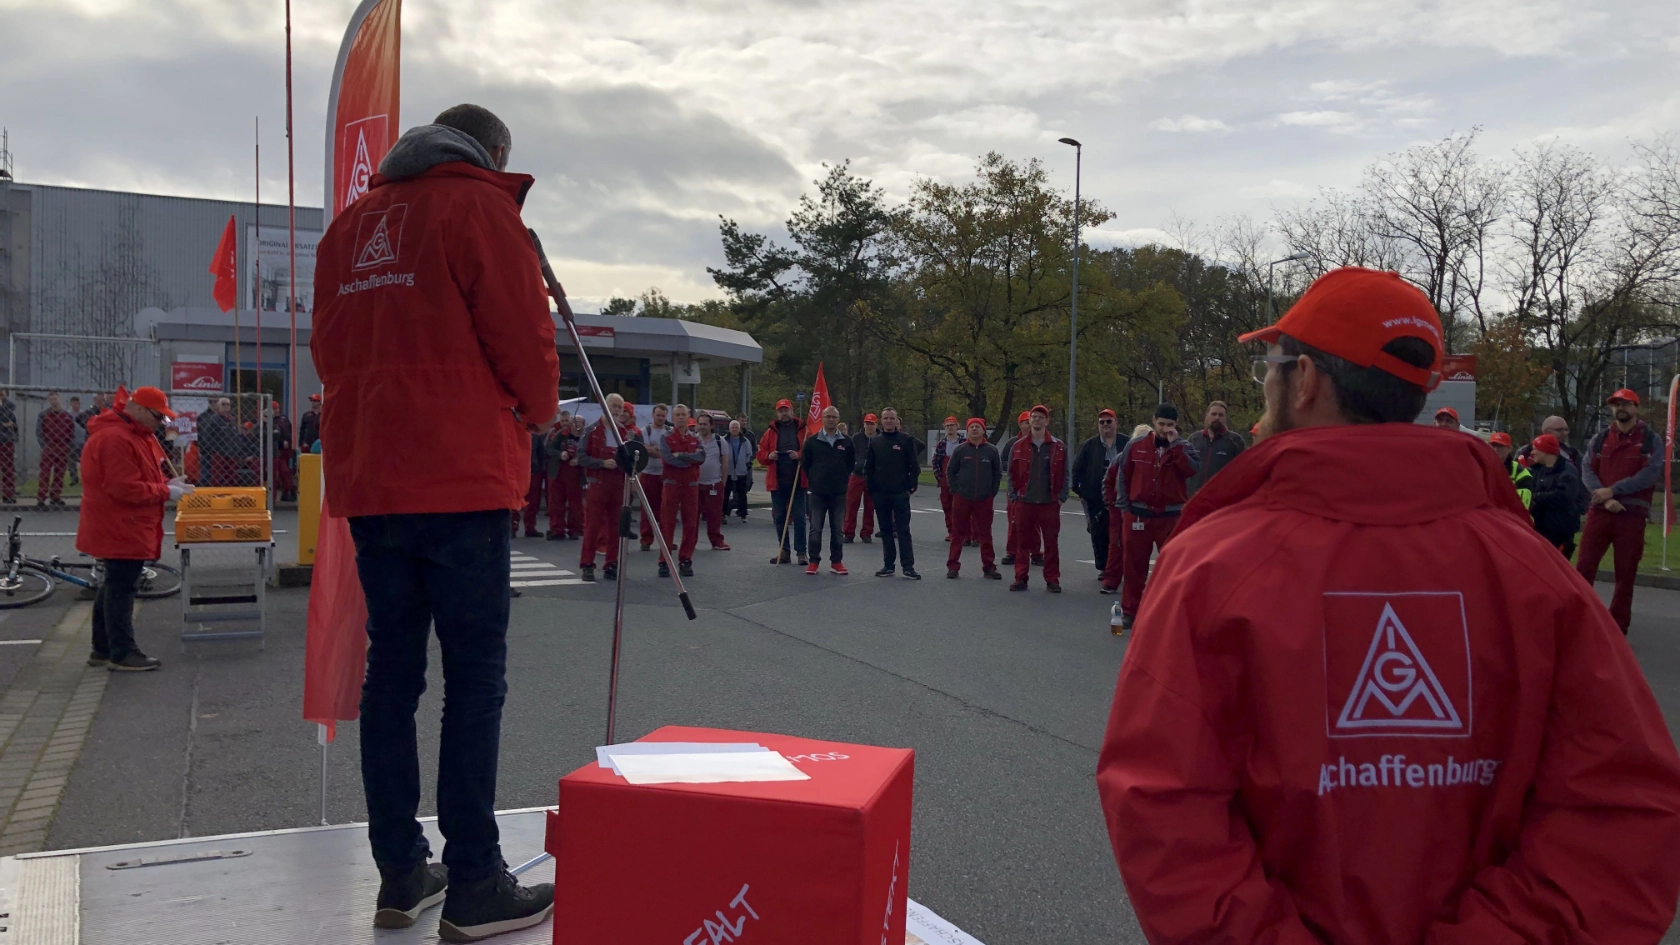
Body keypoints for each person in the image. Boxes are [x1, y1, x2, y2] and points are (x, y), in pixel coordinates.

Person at [1098, 265, 1680, 945]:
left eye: (1271, 368)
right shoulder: (1540, 577)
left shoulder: (1211, 567)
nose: (1265, 386)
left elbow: (1164, 808)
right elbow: (1620, 816)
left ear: (1306, 380)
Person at [311, 104, 560, 938]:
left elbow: (328, 348)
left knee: (392, 674)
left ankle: (401, 869)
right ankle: (477, 878)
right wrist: (535, 409)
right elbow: (522, 335)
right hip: (458, 471)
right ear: (491, 153)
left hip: (372, 476)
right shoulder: (479, 205)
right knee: (474, 677)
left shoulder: (349, 227)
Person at [78, 386, 192, 672]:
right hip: (121, 523)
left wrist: (165, 487)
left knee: (114, 584)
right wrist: (166, 492)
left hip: (119, 522)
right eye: (158, 417)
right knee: (121, 588)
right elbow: (124, 488)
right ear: (138, 409)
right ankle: (121, 652)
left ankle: (103, 649)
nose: (161, 423)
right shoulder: (117, 439)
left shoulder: (126, 435)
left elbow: (130, 481)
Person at [1101, 404, 1199, 627]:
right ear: (1154, 422)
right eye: (1162, 424)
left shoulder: (1184, 447)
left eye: (1170, 425)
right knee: (1134, 566)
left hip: (1170, 516)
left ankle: (1170, 612)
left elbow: (1190, 470)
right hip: (1138, 514)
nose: (1165, 429)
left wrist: (1174, 446)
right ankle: (1130, 611)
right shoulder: (1136, 445)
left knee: (1172, 567)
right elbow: (1123, 476)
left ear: (1177, 425)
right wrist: (1125, 508)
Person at [1577, 387, 1661, 635]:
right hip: (1601, 512)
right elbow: (1587, 471)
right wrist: (1604, 499)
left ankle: (1617, 627)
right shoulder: (1600, 438)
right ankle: (1580, 619)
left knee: (1625, 574)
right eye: (1615, 404)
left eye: (1625, 404)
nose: (1620, 408)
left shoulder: (1650, 440)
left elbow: (1649, 474)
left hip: (1632, 515)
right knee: (1584, 568)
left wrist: (1613, 490)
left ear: (1636, 408)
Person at [579, 395, 641, 582]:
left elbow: (634, 462)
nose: (617, 410)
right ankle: (587, 564)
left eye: (620, 408)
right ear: (605, 406)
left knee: (616, 527)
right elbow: (581, 457)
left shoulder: (626, 434)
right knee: (592, 526)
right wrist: (601, 463)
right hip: (598, 485)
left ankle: (611, 564)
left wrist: (631, 478)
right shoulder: (591, 430)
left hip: (618, 486)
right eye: (614, 406)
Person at [1007, 405, 1068, 593]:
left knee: (1051, 543)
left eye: (1041, 417)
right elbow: (1011, 474)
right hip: (1025, 501)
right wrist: (1014, 496)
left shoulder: (1058, 446)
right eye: (1034, 417)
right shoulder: (1018, 446)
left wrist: (1061, 498)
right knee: (1022, 543)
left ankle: (1052, 580)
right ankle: (1021, 578)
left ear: (1047, 421)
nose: (1037, 420)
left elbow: (1065, 474)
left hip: (1049, 502)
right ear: (1029, 420)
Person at [862, 407, 922, 578]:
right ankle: (888, 565)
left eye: (891, 418)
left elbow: (914, 467)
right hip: (881, 494)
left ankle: (908, 567)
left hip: (900, 493)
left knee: (903, 530)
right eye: (886, 418)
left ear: (897, 421)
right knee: (886, 530)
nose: (889, 421)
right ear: (881, 421)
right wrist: (872, 488)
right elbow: (869, 467)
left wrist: (910, 487)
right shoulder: (875, 442)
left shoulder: (906, 440)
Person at [945, 418, 1002, 579]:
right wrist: (955, 490)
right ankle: (953, 566)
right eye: (971, 427)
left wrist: (992, 491)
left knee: (985, 533)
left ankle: (989, 567)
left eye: (978, 427)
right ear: (967, 431)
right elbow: (950, 471)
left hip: (984, 498)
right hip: (962, 497)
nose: (974, 429)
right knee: (958, 533)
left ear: (984, 431)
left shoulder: (991, 451)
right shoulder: (960, 450)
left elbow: (997, 473)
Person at [801, 406, 853, 575]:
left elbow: (850, 464)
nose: (831, 419)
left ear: (838, 419)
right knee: (815, 528)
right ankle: (814, 561)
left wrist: (841, 479)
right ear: (822, 419)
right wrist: (816, 479)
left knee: (837, 529)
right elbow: (806, 465)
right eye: (828, 416)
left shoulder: (847, 442)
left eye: (834, 417)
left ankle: (836, 562)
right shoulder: (812, 441)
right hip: (817, 492)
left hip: (838, 492)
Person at [757, 398, 808, 565]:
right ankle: (784, 551)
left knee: (800, 518)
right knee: (779, 518)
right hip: (777, 481)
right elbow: (760, 454)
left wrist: (799, 454)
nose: (784, 413)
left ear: (792, 411)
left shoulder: (803, 430)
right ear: (777, 413)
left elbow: (812, 451)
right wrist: (768, 456)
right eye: (781, 410)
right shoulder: (770, 432)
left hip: (798, 481)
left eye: (786, 410)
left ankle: (801, 552)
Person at [1071, 408, 1122, 574]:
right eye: (1102, 422)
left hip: (1120, 497)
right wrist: (1081, 491)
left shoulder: (1126, 443)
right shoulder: (1089, 445)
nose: (1105, 425)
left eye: (1109, 421)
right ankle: (1104, 567)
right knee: (1098, 534)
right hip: (1095, 498)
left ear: (1116, 423)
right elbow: (1077, 469)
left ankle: (1119, 567)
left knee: (1120, 535)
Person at [656, 405, 703, 578]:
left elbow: (701, 458)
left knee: (691, 524)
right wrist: (689, 458)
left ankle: (685, 560)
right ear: (673, 418)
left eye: (684, 415)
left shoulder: (696, 438)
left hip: (691, 485)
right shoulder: (666, 437)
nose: (681, 418)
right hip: (672, 484)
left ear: (688, 416)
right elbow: (668, 459)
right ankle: (664, 561)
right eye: (677, 415)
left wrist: (680, 456)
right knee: (667, 524)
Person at [1527, 434, 1588, 554]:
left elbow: (1563, 496)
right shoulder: (1537, 470)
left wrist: (1535, 497)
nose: (1533, 452)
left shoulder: (1567, 472)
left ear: (1545, 451)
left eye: (1535, 448)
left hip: (1560, 531)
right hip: (1540, 529)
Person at [998, 412, 1038, 567]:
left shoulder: (1041, 442)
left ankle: (1035, 553)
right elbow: (1003, 461)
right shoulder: (1013, 443)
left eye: (1030, 421)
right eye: (1025, 422)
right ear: (1020, 424)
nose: (1028, 425)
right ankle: (1012, 552)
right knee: (1014, 521)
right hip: (1017, 488)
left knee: (1035, 523)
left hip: (1035, 489)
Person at [1185, 400, 1245, 496]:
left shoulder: (1235, 441)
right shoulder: (1194, 439)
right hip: (1193, 498)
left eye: (1221, 415)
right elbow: (1184, 467)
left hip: (1221, 500)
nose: (1217, 417)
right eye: (1213, 414)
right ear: (1207, 415)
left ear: (1225, 418)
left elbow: (1243, 472)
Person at [543, 414, 586, 540]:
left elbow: (589, 453)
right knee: (556, 502)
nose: (576, 426)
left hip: (575, 473)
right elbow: (549, 448)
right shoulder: (561, 433)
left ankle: (575, 529)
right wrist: (560, 454)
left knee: (575, 503)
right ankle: (557, 529)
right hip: (558, 471)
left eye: (579, 423)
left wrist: (579, 460)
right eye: (574, 422)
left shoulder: (586, 436)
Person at [694, 413, 731, 551]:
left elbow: (725, 463)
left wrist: (723, 482)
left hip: (714, 484)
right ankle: (691, 541)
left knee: (714, 515)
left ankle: (716, 541)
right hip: (695, 484)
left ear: (711, 426)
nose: (702, 427)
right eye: (700, 424)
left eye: (705, 424)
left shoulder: (720, 442)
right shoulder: (693, 440)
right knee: (693, 515)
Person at [636, 404, 669, 552]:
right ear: (653, 415)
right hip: (648, 474)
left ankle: (665, 540)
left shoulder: (670, 432)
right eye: (658, 415)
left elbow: (671, 451)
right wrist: (660, 451)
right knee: (646, 509)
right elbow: (645, 450)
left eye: (663, 415)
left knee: (666, 509)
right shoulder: (645, 431)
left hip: (665, 475)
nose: (661, 418)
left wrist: (655, 449)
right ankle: (646, 539)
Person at [35, 392, 74, 506]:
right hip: (49, 446)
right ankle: (41, 497)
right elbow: (39, 431)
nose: (54, 401)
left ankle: (55, 496)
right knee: (45, 472)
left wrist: (68, 444)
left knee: (60, 472)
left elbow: (71, 431)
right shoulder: (43, 415)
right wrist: (44, 445)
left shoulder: (67, 415)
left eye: (55, 399)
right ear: (48, 401)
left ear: (59, 399)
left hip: (62, 446)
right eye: (51, 399)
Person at [843, 413, 878, 543]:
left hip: (872, 477)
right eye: (867, 424)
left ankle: (867, 532)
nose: (869, 426)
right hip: (856, 475)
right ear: (864, 424)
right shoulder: (856, 438)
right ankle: (848, 532)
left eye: (872, 424)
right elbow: (849, 453)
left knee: (870, 506)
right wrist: (854, 465)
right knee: (851, 505)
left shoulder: (880, 438)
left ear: (876, 425)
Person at [932, 416, 964, 542]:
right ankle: (952, 532)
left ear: (957, 427)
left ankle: (965, 533)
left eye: (952, 425)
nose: (950, 428)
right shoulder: (941, 444)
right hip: (945, 481)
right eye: (947, 426)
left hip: (961, 480)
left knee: (962, 508)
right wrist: (939, 477)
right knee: (947, 507)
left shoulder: (964, 442)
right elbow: (936, 462)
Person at [196, 397, 238, 487]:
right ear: (218, 406)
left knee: (230, 478)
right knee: (215, 478)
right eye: (223, 404)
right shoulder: (212, 419)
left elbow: (236, 437)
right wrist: (214, 450)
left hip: (230, 454)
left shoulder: (232, 420)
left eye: (228, 404)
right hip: (217, 454)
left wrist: (236, 450)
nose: (226, 406)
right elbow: (206, 436)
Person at [516, 424, 547, 538]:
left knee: (532, 501)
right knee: (516, 500)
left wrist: (539, 469)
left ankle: (530, 527)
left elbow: (541, 454)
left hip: (533, 471)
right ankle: (513, 527)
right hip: (519, 471)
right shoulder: (515, 434)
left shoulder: (536, 436)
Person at [1488, 432, 1533, 508]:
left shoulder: (1520, 472)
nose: (1496, 449)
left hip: (1510, 516)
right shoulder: (1480, 467)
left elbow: (1522, 503)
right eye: (1493, 445)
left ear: (1510, 449)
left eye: (1500, 446)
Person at [724, 419, 754, 522]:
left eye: (736, 427)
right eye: (733, 427)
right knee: (725, 493)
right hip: (727, 471)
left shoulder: (745, 441)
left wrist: (746, 465)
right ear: (729, 428)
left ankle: (743, 514)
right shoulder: (724, 440)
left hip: (741, 471)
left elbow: (749, 454)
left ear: (739, 429)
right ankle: (723, 514)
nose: (734, 429)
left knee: (742, 494)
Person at [271, 401, 297, 501]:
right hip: (278, 449)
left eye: (277, 408)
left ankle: (287, 491)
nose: (276, 411)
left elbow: (289, 431)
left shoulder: (284, 419)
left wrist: (290, 442)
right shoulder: (271, 421)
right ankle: (288, 489)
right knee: (283, 470)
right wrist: (282, 442)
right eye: (274, 409)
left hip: (287, 450)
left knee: (287, 471)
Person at [0, 389, 17, 504]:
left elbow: (11, 422)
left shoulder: (8, 406)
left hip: (6, 440)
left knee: (8, 468)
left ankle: (8, 494)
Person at [67, 395, 87, 487]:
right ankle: (74, 479)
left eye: (78, 403)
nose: (77, 405)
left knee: (84, 460)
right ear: (71, 404)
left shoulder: (83, 414)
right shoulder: (68, 414)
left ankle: (85, 478)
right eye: (75, 403)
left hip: (83, 440)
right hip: (72, 440)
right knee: (71, 460)